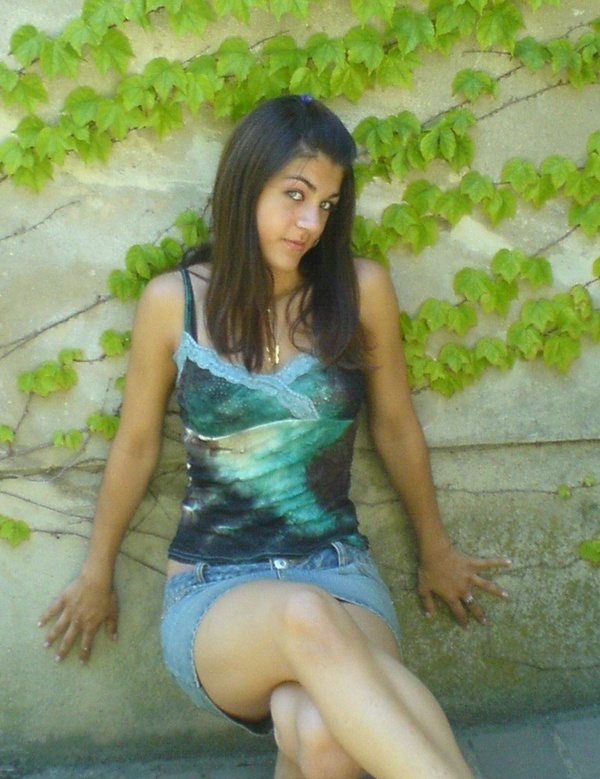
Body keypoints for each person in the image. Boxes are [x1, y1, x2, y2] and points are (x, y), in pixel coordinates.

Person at [39, 95, 510, 779]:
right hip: (214, 587)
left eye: (327, 204)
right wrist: (94, 572)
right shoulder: (174, 302)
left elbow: (396, 427)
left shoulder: (360, 290)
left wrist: (435, 549)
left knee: (322, 736)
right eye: (295, 194)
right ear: (245, 184)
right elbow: (136, 445)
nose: (311, 222)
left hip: (339, 571)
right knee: (303, 615)